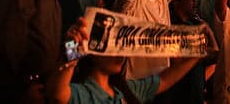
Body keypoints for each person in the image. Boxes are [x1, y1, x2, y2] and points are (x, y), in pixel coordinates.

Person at [47, 17, 204, 104]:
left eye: (121, 48)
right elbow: (58, 95)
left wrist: (199, 50)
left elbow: (164, 80)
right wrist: (72, 47)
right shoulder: (82, 94)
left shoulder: (126, 90)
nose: (119, 54)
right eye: (111, 48)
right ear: (92, 51)